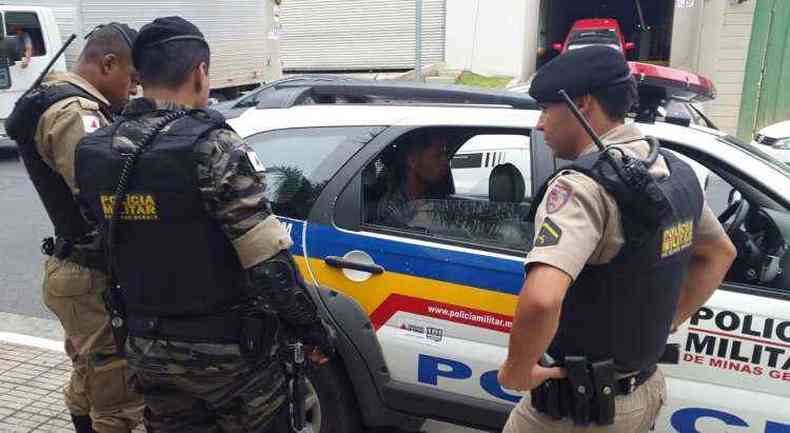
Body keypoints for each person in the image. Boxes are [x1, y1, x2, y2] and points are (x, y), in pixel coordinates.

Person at [73, 16, 335, 432]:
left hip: (147, 347)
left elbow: (94, 247)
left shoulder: (94, 150)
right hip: (231, 357)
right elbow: (267, 264)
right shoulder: (214, 145)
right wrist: (312, 331)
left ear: (139, 75)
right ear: (200, 73)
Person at [497, 45, 737, 432]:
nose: (540, 124)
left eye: (546, 109)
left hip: (576, 411)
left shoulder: (583, 188)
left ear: (584, 105)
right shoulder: (674, 172)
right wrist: (665, 323)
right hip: (643, 393)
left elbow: (543, 298)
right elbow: (720, 253)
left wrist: (516, 372)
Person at [4, 23, 143, 433]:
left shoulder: (58, 98)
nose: (133, 90)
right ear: (108, 63)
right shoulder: (76, 112)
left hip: (76, 269)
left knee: (91, 376)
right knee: (117, 394)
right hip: (89, 275)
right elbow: (104, 193)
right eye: (132, 79)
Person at [377, 131, 452, 227]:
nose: (445, 162)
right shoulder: (392, 206)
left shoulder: (435, 195)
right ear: (412, 160)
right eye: (438, 156)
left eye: (446, 155)